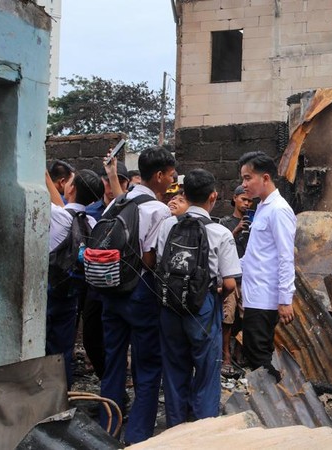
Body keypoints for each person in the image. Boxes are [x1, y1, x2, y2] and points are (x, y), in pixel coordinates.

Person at [85, 146, 176, 444]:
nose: (173, 180)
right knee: (147, 366)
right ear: (159, 175)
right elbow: (150, 258)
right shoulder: (159, 210)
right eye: (171, 175)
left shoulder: (117, 203)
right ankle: (138, 436)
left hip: (110, 292)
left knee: (113, 362)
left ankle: (106, 430)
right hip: (140, 295)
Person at [155, 169, 241, 427]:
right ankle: (203, 431)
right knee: (206, 371)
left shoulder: (168, 225)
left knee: (173, 369)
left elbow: (159, 263)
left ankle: (175, 429)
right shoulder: (220, 232)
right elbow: (229, 282)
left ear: (185, 194)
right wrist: (218, 295)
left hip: (169, 305)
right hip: (202, 306)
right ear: (213, 196)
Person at [238, 151, 295, 382]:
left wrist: (285, 299)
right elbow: (255, 255)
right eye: (242, 179)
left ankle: (274, 403)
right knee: (254, 352)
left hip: (266, 297)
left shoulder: (279, 210)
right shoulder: (262, 208)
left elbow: (285, 256)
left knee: (259, 355)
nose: (244, 185)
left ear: (265, 178)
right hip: (253, 295)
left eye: (248, 178)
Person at [45, 168, 103, 387]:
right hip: (72, 295)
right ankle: (63, 397)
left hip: (48, 293)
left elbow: (57, 206)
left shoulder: (57, 215)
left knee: (40, 350)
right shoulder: (92, 223)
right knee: (63, 352)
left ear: (71, 188)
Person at [82, 155, 129, 378]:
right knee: (91, 337)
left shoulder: (130, 211)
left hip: (121, 285)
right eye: (110, 181)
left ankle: (115, 387)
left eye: (120, 182)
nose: (113, 187)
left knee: (118, 339)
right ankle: (106, 378)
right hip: (93, 285)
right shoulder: (91, 212)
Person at [218, 185, 253, 376]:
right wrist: (236, 230)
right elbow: (221, 247)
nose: (246, 204)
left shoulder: (253, 223)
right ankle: (226, 356)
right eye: (243, 200)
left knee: (246, 317)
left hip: (248, 277)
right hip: (231, 278)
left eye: (249, 201)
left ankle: (240, 352)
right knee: (228, 318)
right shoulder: (225, 222)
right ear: (234, 198)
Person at [86, 157, 128, 221]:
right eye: (109, 181)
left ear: (127, 183)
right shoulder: (89, 212)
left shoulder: (135, 210)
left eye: (121, 182)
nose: (114, 185)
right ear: (101, 180)